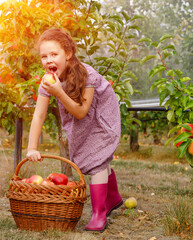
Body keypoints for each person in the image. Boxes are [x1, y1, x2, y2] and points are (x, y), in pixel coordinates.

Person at [26, 28, 123, 232]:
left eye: (54, 54)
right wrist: (31, 147)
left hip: (103, 115)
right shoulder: (48, 82)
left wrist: (59, 92)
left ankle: (99, 213)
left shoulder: (87, 75)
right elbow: (39, 115)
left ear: (68, 53)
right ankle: (113, 198)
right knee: (94, 155)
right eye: (44, 56)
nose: (48, 60)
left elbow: (81, 112)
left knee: (96, 160)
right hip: (83, 115)